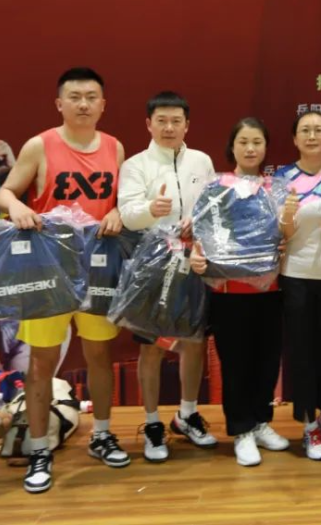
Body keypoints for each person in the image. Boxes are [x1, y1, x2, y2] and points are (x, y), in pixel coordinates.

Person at [0, 67, 127, 494]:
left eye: (91, 97)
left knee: (99, 355)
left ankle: (102, 434)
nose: (83, 104)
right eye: (75, 96)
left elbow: (123, 200)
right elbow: (5, 192)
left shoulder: (114, 147)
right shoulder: (40, 145)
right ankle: (38, 448)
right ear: (59, 103)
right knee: (41, 361)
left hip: (97, 267)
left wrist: (118, 211)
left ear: (103, 104)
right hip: (47, 268)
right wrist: (16, 206)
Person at [118, 91, 218, 462]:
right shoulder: (136, 165)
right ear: (149, 124)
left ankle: (187, 415)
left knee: (194, 341)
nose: (169, 127)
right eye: (161, 121)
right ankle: (152, 423)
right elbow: (127, 215)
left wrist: (198, 221)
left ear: (187, 125)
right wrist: (151, 208)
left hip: (195, 261)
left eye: (176, 121)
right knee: (151, 348)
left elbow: (213, 206)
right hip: (152, 265)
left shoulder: (201, 161)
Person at [192, 117, 288, 467]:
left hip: (271, 290)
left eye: (257, 142)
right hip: (229, 291)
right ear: (231, 147)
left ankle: (261, 422)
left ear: (266, 147)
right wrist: (199, 257)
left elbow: (286, 235)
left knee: (267, 360)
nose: (250, 148)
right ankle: (242, 430)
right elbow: (203, 234)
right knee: (235, 363)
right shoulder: (215, 188)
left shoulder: (276, 189)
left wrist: (285, 241)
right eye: (243, 142)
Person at [275, 110, 321, 461]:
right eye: (305, 130)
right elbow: (284, 234)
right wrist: (288, 214)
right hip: (297, 276)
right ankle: (308, 426)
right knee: (302, 353)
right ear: (295, 139)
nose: (312, 135)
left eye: (319, 130)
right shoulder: (283, 178)